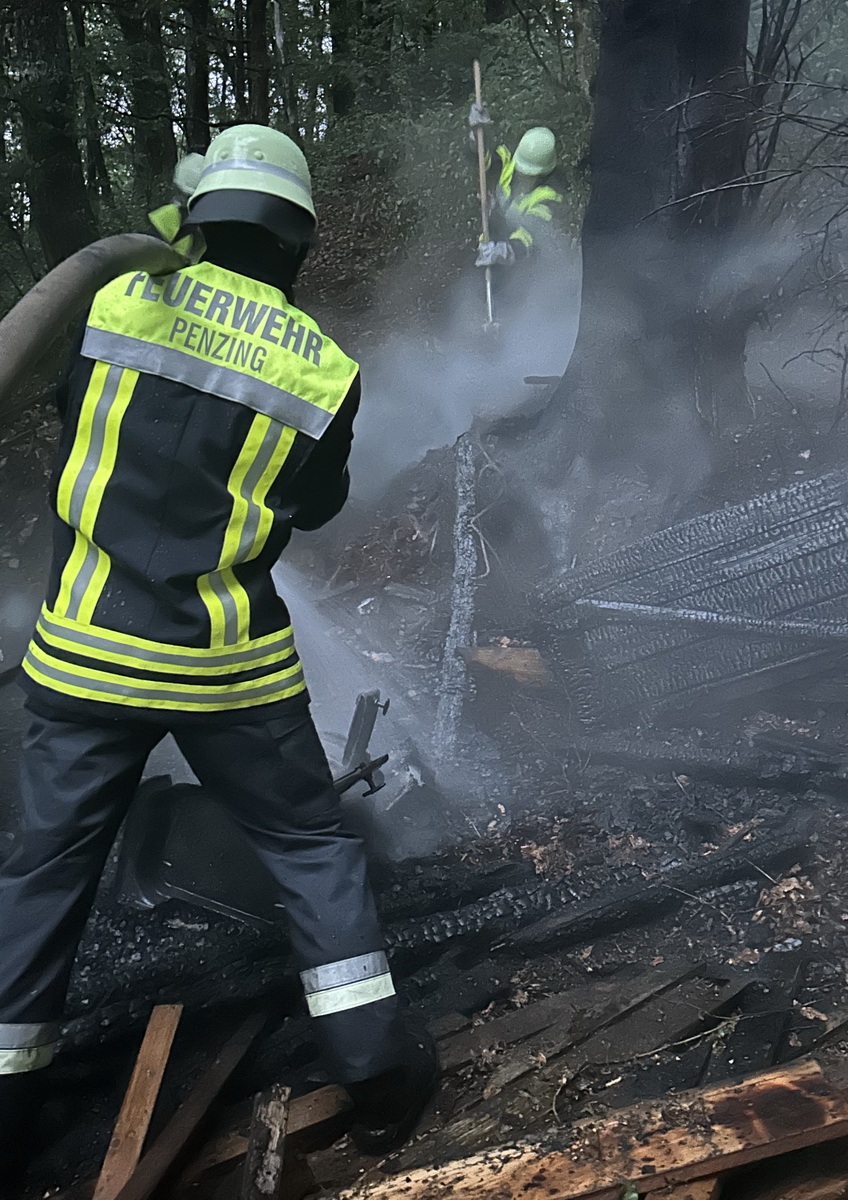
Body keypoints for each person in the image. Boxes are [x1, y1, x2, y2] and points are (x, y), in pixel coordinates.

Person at [0, 123, 436, 1190]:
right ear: (297, 241)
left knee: (45, 870)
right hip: (225, 669)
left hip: (85, 652)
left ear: (198, 218)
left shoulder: (114, 301)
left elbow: (71, 416)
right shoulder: (322, 368)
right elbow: (315, 507)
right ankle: (380, 1081)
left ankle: (6, 1102)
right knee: (310, 847)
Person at [467, 102, 564, 292]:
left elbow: (531, 237)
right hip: (486, 246)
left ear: (543, 173)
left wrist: (504, 250)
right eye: (521, 169)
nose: (521, 174)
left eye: (528, 173)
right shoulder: (508, 159)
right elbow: (482, 161)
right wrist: (477, 135)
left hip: (520, 273)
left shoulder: (550, 198)